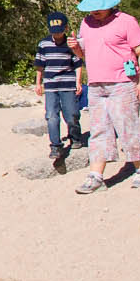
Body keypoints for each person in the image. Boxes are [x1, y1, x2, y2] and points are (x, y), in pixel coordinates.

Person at [72, 0, 140, 194]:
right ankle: (96, 175)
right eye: (92, 7)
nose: (95, 11)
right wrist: (76, 49)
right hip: (96, 85)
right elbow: (85, 55)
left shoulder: (126, 21)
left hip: (123, 83)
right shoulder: (86, 23)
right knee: (99, 129)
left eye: (99, 6)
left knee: (128, 126)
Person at [34, 10, 88, 170]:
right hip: (50, 85)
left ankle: (75, 136)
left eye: (59, 31)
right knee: (51, 115)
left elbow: (78, 64)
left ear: (65, 29)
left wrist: (79, 82)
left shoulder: (71, 44)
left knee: (71, 114)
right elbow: (39, 65)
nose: (56, 35)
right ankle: (55, 145)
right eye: (53, 32)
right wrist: (38, 83)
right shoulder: (43, 44)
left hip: (68, 83)